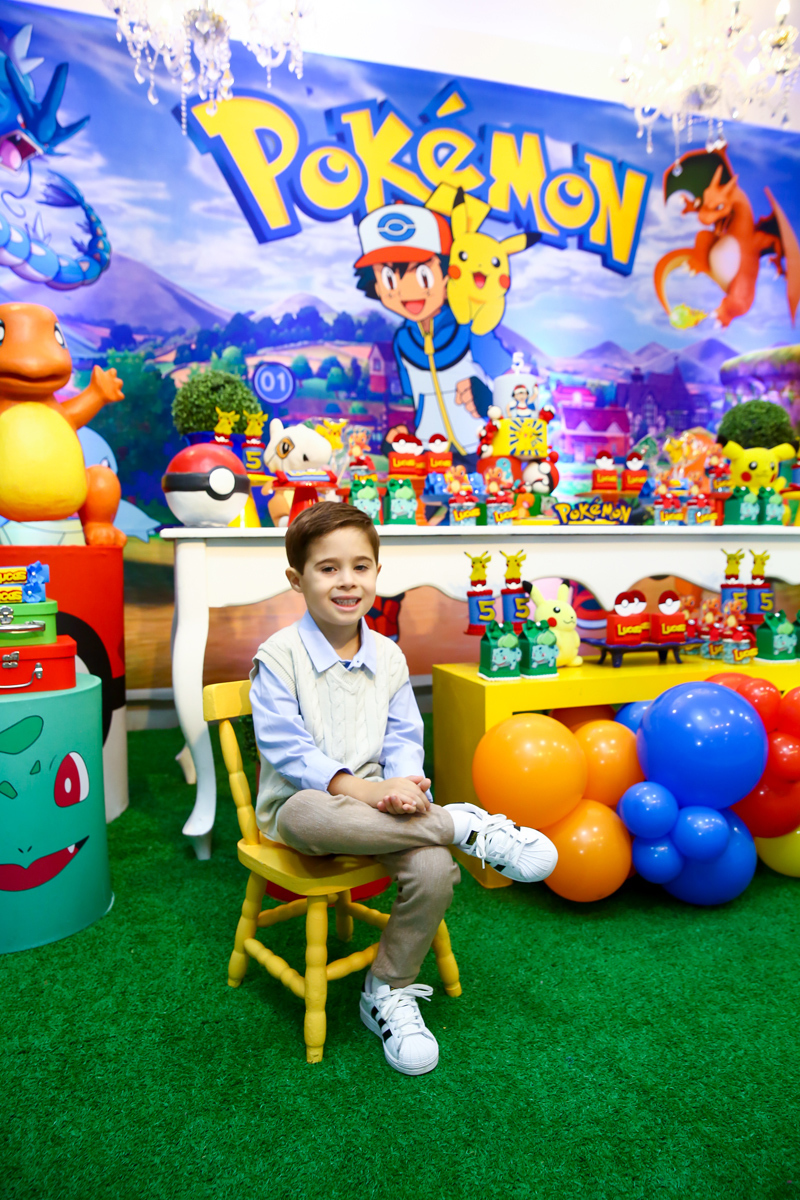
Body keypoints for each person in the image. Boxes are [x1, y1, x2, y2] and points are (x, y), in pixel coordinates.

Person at [249, 502, 558, 1076]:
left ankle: (387, 989)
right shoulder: (279, 657)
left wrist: (407, 785)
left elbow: (403, 735)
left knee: (435, 869)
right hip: (304, 809)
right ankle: (461, 824)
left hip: (384, 809)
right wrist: (366, 793)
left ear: (377, 573)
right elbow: (288, 751)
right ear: (297, 578)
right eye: (328, 568)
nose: (347, 581)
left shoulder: (388, 655)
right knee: (312, 809)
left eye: (360, 567)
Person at [353, 202, 511, 465]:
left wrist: (489, 400)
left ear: (448, 275)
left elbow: (518, 393)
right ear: (377, 287)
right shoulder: (403, 342)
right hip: (431, 457)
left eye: (423, 275)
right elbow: (418, 403)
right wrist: (400, 436)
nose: (407, 290)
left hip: (480, 453)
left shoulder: (472, 330)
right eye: (390, 279)